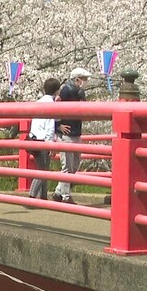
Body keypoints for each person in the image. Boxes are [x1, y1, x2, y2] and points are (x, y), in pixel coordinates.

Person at [53, 68, 91, 204]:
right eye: (84, 79)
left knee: (74, 165)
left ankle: (58, 191)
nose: (86, 82)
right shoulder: (66, 90)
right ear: (77, 80)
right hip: (67, 133)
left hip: (76, 131)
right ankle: (66, 196)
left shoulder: (78, 92)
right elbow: (55, 108)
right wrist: (58, 125)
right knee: (67, 166)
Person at [28, 78, 60, 201]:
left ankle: (43, 197)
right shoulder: (51, 105)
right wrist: (51, 145)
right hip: (43, 140)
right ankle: (32, 196)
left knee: (43, 167)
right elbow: (50, 127)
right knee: (42, 170)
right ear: (57, 91)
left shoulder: (38, 102)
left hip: (33, 138)